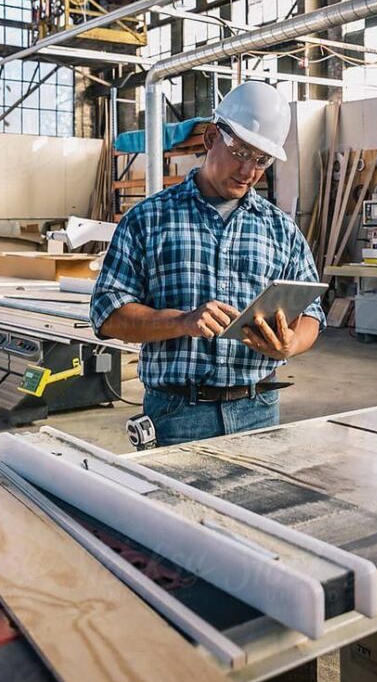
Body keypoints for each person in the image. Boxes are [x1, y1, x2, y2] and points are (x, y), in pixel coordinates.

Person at [90, 80, 325, 446]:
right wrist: (182, 321)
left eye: (262, 160)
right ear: (212, 138)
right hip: (177, 414)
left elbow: (312, 313)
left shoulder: (281, 230)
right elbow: (107, 314)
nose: (249, 171)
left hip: (259, 409)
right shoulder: (148, 220)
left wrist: (290, 344)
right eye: (242, 152)